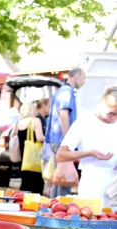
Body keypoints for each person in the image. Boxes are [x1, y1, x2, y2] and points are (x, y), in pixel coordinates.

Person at [56, 86, 117, 207]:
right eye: (110, 112)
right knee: (89, 219)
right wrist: (89, 153)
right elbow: (61, 155)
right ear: (101, 103)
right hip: (90, 182)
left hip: (113, 185)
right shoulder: (84, 122)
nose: (113, 116)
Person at [47, 67, 86, 198]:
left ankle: (54, 206)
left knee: (60, 177)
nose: (84, 82)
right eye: (84, 78)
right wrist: (68, 141)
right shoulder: (67, 92)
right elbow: (64, 115)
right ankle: (61, 206)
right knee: (64, 179)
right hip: (60, 140)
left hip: (56, 139)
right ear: (76, 76)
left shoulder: (62, 91)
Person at [10, 102, 45, 194]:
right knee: (37, 180)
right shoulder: (35, 121)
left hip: (22, 155)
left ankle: (23, 200)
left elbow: (12, 135)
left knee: (25, 180)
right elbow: (39, 137)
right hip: (33, 155)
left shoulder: (18, 122)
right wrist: (48, 138)